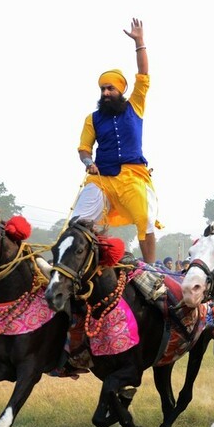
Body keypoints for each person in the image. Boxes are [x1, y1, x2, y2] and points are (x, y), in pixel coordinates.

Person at [73, 18, 161, 264]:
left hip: (132, 176)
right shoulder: (92, 119)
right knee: (78, 222)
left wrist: (139, 42)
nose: (105, 93)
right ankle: (85, 265)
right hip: (101, 178)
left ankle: (150, 269)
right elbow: (84, 149)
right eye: (102, 89)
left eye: (110, 89)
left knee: (145, 220)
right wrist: (89, 162)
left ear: (120, 90)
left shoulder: (135, 106)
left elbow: (143, 75)